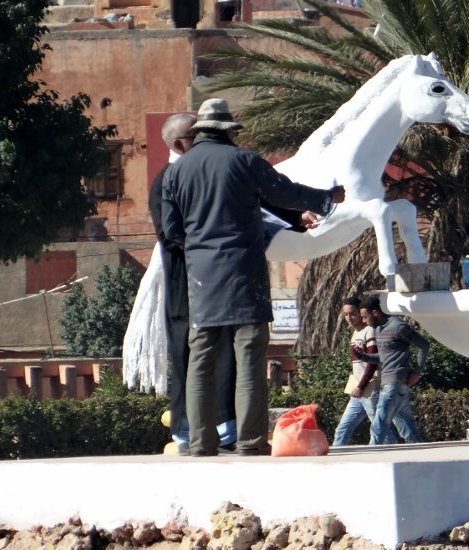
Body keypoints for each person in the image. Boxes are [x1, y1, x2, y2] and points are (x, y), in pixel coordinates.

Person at [162, 98, 345, 456]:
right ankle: (249, 441)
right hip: (244, 271)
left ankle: (200, 443)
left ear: (199, 133)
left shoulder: (175, 173)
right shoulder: (243, 161)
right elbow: (285, 192)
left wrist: (201, 251)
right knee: (249, 353)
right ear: (229, 132)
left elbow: (171, 230)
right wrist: (327, 198)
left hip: (201, 277)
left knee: (201, 357)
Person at [150, 113, 237, 454]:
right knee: (186, 353)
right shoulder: (167, 181)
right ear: (178, 144)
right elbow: (173, 236)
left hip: (214, 279)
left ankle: (226, 425)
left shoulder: (202, 172)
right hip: (186, 283)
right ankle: (186, 430)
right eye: (194, 135)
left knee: (226, 347)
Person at [355, 296, 428, 444]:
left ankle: (372, 462)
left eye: (365, 317)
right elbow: (383, 357)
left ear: (375, 312)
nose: (364, 321)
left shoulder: (398, 326)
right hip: (392, 386)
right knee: (408, 430)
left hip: (394, 386)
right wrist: (363, 356)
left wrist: (417, 372)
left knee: (378, 426)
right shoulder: (378, 330)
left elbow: (424, 345)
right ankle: (422, 460)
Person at [332, 297, 380, 446]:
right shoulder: (355, 334)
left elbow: (372, 363)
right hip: (358, 391)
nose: (348, 318)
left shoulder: (369, 331)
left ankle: (390, 457)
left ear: (361, 313)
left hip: (369, 388)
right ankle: (335, 460)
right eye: (346, 314)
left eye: (352, 313)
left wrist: (362, 385)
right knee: (342, 429)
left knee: (380, 431)